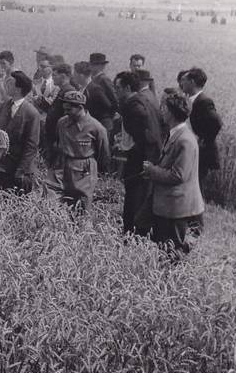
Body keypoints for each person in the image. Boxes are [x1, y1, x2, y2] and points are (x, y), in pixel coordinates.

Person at [142, 92, 204, 258]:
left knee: (172, 251)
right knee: (164, 248)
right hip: (169, 204)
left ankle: (170, 280)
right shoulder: (175, 134)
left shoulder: (185, 140)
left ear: (171, 112)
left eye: (164, 108)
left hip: (176, 208)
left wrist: (152, 171)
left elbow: (178, 176)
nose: (161, 111)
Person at [114, 71, 162, 235]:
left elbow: (144, 135)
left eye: (118, 88)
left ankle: (130, 235)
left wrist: (134, 149)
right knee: (142, 197)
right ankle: (138, 234)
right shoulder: (146, 99)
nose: (116, 92)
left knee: (134, 199)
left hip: (139, 159)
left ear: (127, 87)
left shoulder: (133, 105)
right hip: (149, 157)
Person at [181, 67, 222, 237]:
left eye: (184, 80)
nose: (181, 83)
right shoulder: (192, 100)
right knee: (193, 186)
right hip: (196, 151)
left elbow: (216, 122)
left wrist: (204, 139)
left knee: (196, 187)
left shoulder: (204, 101)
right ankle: (191, 224)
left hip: (202, 154)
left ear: (192, 82)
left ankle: (196, 228)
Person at [54, 90, 110, 212]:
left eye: (69, 110)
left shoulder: (96, 128)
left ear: (80, 107)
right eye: (65, 109)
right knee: (60, 206)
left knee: (82, 207)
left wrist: (95, 170)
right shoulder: (62, 123)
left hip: (84, 171)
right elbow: (58, 142)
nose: (66, 113)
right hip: (63, 167)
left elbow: (103, 154)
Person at [0, 71, 39, 193]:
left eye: (10, 84)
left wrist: (21, 171)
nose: (6, 86)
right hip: (3, 167)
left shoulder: (31, 113)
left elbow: (31, 146)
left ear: (18, 89)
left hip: (20, 172)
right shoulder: (8, 105)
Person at [42, 64, 76, 200]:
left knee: (56, 173)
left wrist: (59, 140)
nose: (53, 77)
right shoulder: (62, 90)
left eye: (55, 74)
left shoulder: (68, 92)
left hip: (59, 141)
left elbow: (67, 119)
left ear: (63, 76)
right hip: (55, 140)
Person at [84, 52, 119, 137]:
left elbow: (115, 100)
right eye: (91, 64)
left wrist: (109, 115)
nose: (91, 66)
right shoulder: (92, 79)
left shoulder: (104, 80)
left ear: (102, 66)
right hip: (94, 119)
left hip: (104, 120)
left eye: (95, 64)